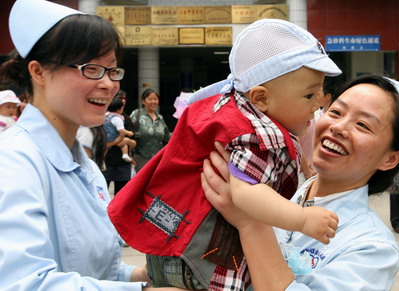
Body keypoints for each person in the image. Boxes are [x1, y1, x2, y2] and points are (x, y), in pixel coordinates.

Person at [108, 19, 341, 290]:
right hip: (201, 259)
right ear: (261, 98)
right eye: (309, 95)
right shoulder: (256, 132)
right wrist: (302, 219)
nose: (317, 106)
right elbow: (246, 194)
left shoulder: (227, 108)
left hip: (172, 248)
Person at [200, 74, 399, 290]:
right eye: (335, 112)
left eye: (363, 125)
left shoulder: (373, 248)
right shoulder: (276, 184)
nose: (338, 127)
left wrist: (250, 221)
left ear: (390, 159)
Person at [0, 0, 156, 289]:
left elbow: (97, 269)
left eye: (112, 70)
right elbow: (22, 283)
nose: (109, 84)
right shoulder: (12, 162)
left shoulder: (88, 169)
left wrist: (142, 275)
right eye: (91, 69)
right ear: (39, 72)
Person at [299, 79, 338, 179]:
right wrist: (307, 170)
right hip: (306, 171)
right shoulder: (313, 116)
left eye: (318, 94)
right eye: (311, 95)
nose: (316, 99)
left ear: (328, 96)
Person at [103, 91, 137, 195]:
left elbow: (134, 142)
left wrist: (126, 141)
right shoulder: (102, 118)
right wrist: (116, 142)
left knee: (121, 195)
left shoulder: (126, 119)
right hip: (105, 162)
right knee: (102, 193)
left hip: (122, 164)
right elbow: (98, 140)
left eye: (123, 99)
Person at [130, 88, 171, 172]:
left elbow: (168, 136)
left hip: (158, 159)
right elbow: (128, 133)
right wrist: (129, 154)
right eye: (150, 99)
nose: (153, 102)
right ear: (143, 101)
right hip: (140, 158)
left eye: (155, 99)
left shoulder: (160, 118)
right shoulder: (136, 114)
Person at [104, 95, 134, 163]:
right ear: (119, 109)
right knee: (123, 143)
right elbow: (120, 129)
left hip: (105, 137)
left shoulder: (106, 115)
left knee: (105, 149)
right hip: (114, 137)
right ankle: (125, 154)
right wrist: (128, 133)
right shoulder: (117, 118)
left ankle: (102, 160)